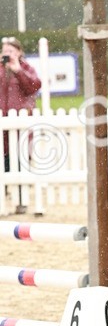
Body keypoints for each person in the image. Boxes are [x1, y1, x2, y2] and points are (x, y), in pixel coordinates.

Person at [1, 37, 42, 214]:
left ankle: (21, 201)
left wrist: (18, 71)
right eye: (5, 51)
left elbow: (34, 86)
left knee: (21, 161)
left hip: (21, 125)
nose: (7, 54)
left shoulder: (26, 68)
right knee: (4, 163)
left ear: (18, 52)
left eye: (10, 51)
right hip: (2, 124)